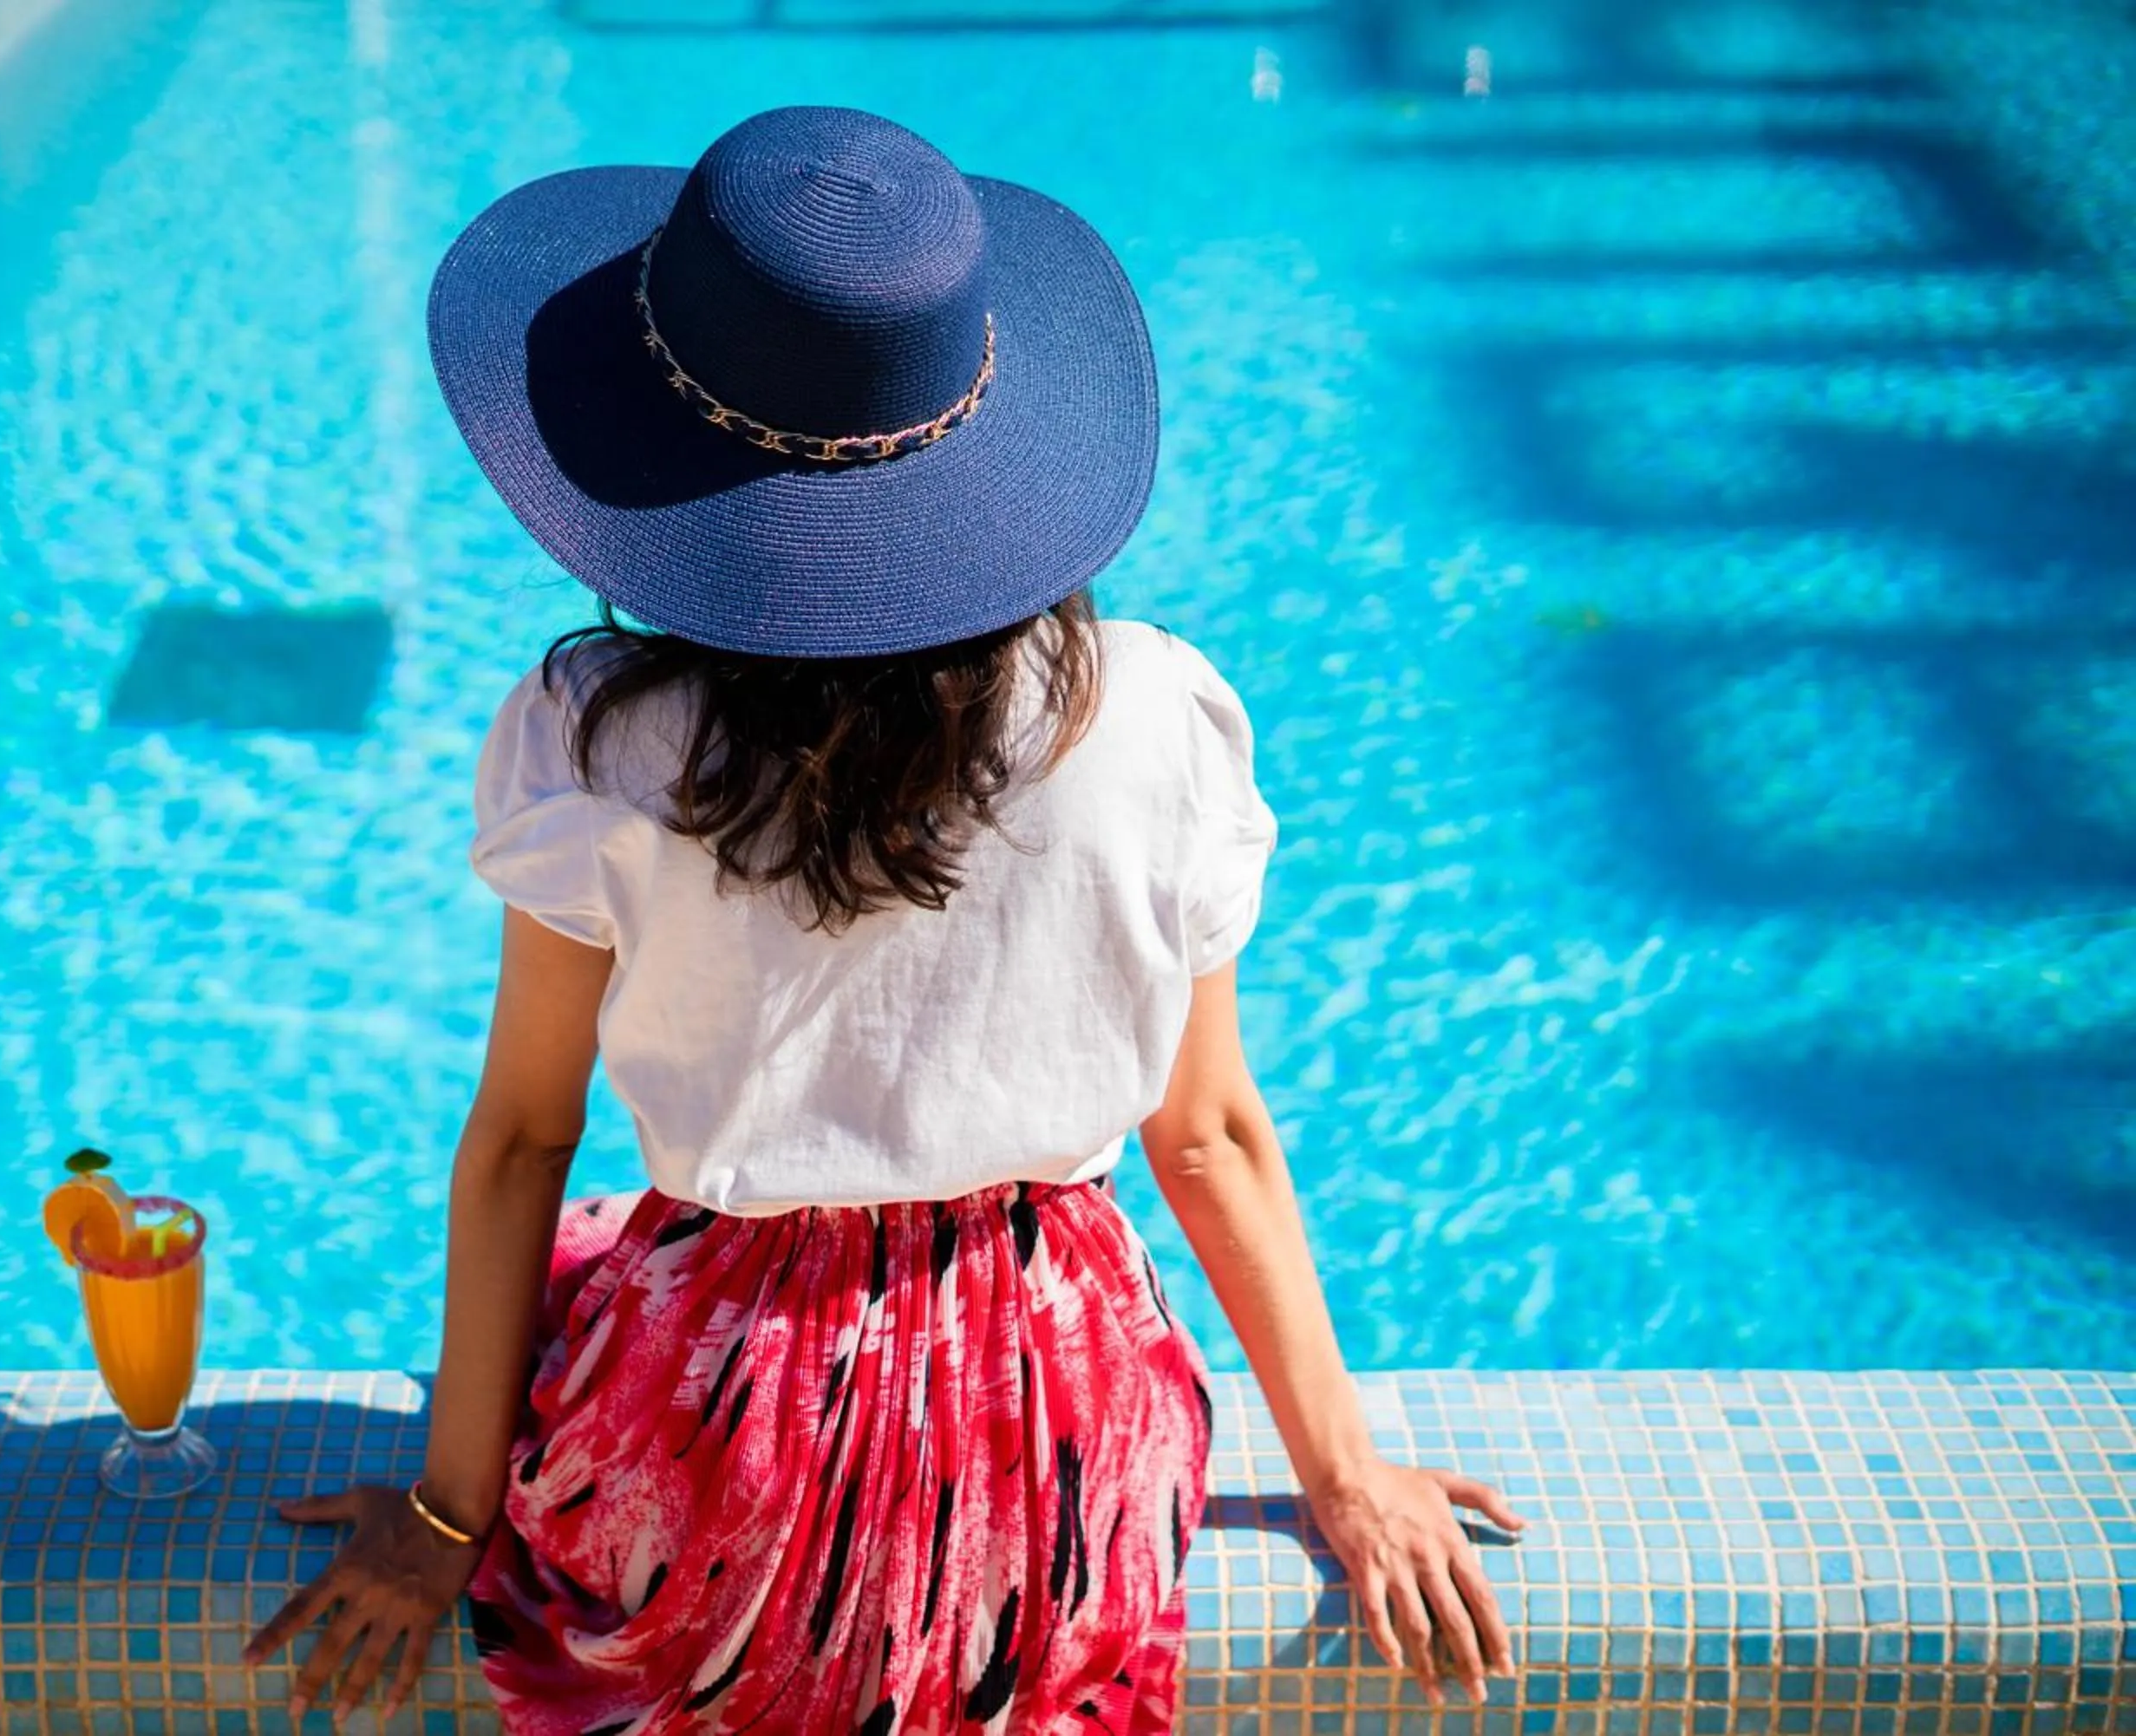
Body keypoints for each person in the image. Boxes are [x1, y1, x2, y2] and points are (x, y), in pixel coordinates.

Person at [244, 104, 1523, 1733]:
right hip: (1050, 1454)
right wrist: (1345, 1479)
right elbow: (1207, 1136)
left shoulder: (598, 733)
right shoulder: (1153, 716)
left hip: (727, 1444)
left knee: (589, 1270)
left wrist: (444, 1518)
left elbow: (516, 1144)